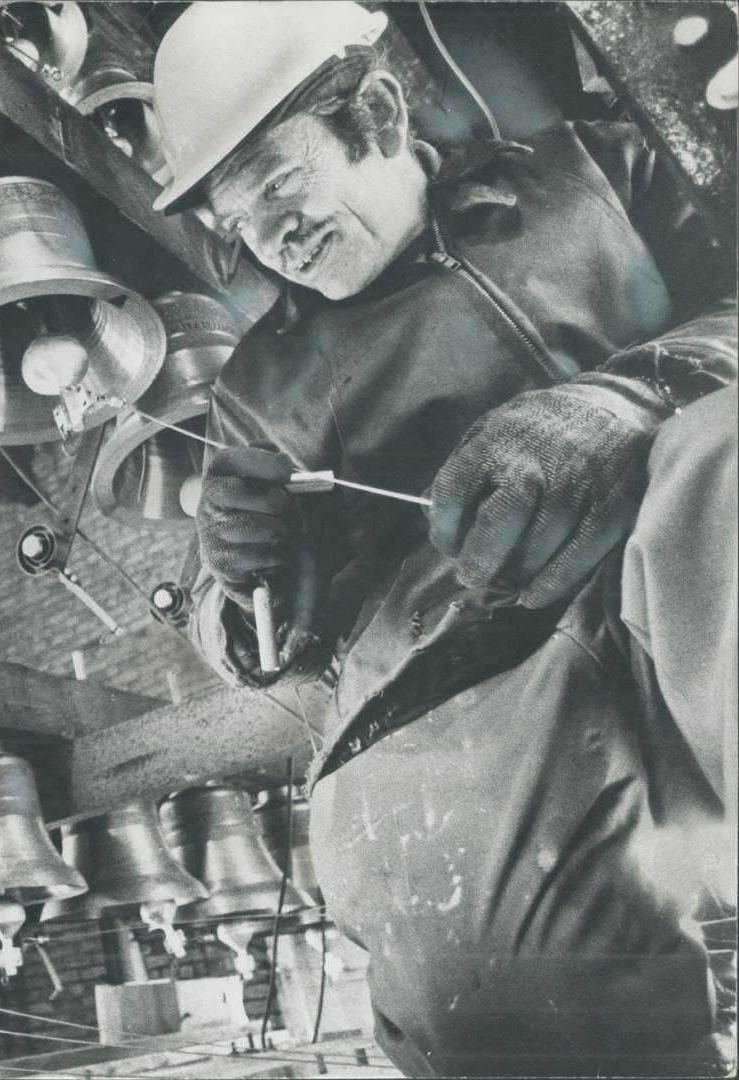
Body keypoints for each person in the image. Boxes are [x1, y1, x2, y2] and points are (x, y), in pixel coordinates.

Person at [150, 3, 737, 1075]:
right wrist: (237, 587)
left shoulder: (591, 173)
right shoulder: (256, 390)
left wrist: (627, 397)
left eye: (279, 187)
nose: (268, 240)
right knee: (512, 1002)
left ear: (373, 112)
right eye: (239, 223)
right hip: (479, 693)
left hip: (683, 554)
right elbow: (244, 636)